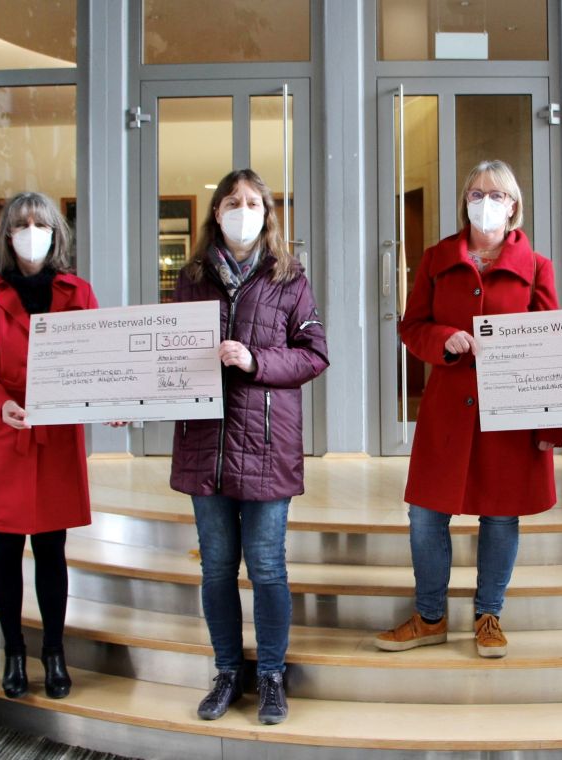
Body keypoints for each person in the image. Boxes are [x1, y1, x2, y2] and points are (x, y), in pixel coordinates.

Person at [375, 160, 562, 659]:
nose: (486, 201)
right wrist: (443, 339)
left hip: (511, 411)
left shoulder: (537, 267)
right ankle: (430, 616)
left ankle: (488, 615)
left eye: (497, 194)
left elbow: (553, 345)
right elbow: (411, 326)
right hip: (448, 411)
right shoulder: (438, 258)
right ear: (465, 200)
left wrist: (551, 425)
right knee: (425, 515)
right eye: (477, 192)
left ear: (514, 205)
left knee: (500, 517)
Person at [169, 169, 329, 726]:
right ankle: (227, 671)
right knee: (216, 570)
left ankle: (270, 677)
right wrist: (133, 398)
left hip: (266, 445)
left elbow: (314, 355)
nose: (242, 209)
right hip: (204, 445)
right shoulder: (191, 278)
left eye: (253, 202)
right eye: (232, 201)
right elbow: (165, 358)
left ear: (268, 213)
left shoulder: (290, 278)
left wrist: (257, 361)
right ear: (216, 212)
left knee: (266, 568)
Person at [0, 191, 99, 700]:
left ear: (56, 232)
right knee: (4, 550)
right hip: (5, 433)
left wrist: (113, 399)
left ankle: (54, 652)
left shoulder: (77, 290)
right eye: (21, 223)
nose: (31, 231)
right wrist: (0, 404)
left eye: (40, 222)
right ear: (8, 234)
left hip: (56, 435)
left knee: (51, 549)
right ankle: (14, 651)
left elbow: (97, 359)